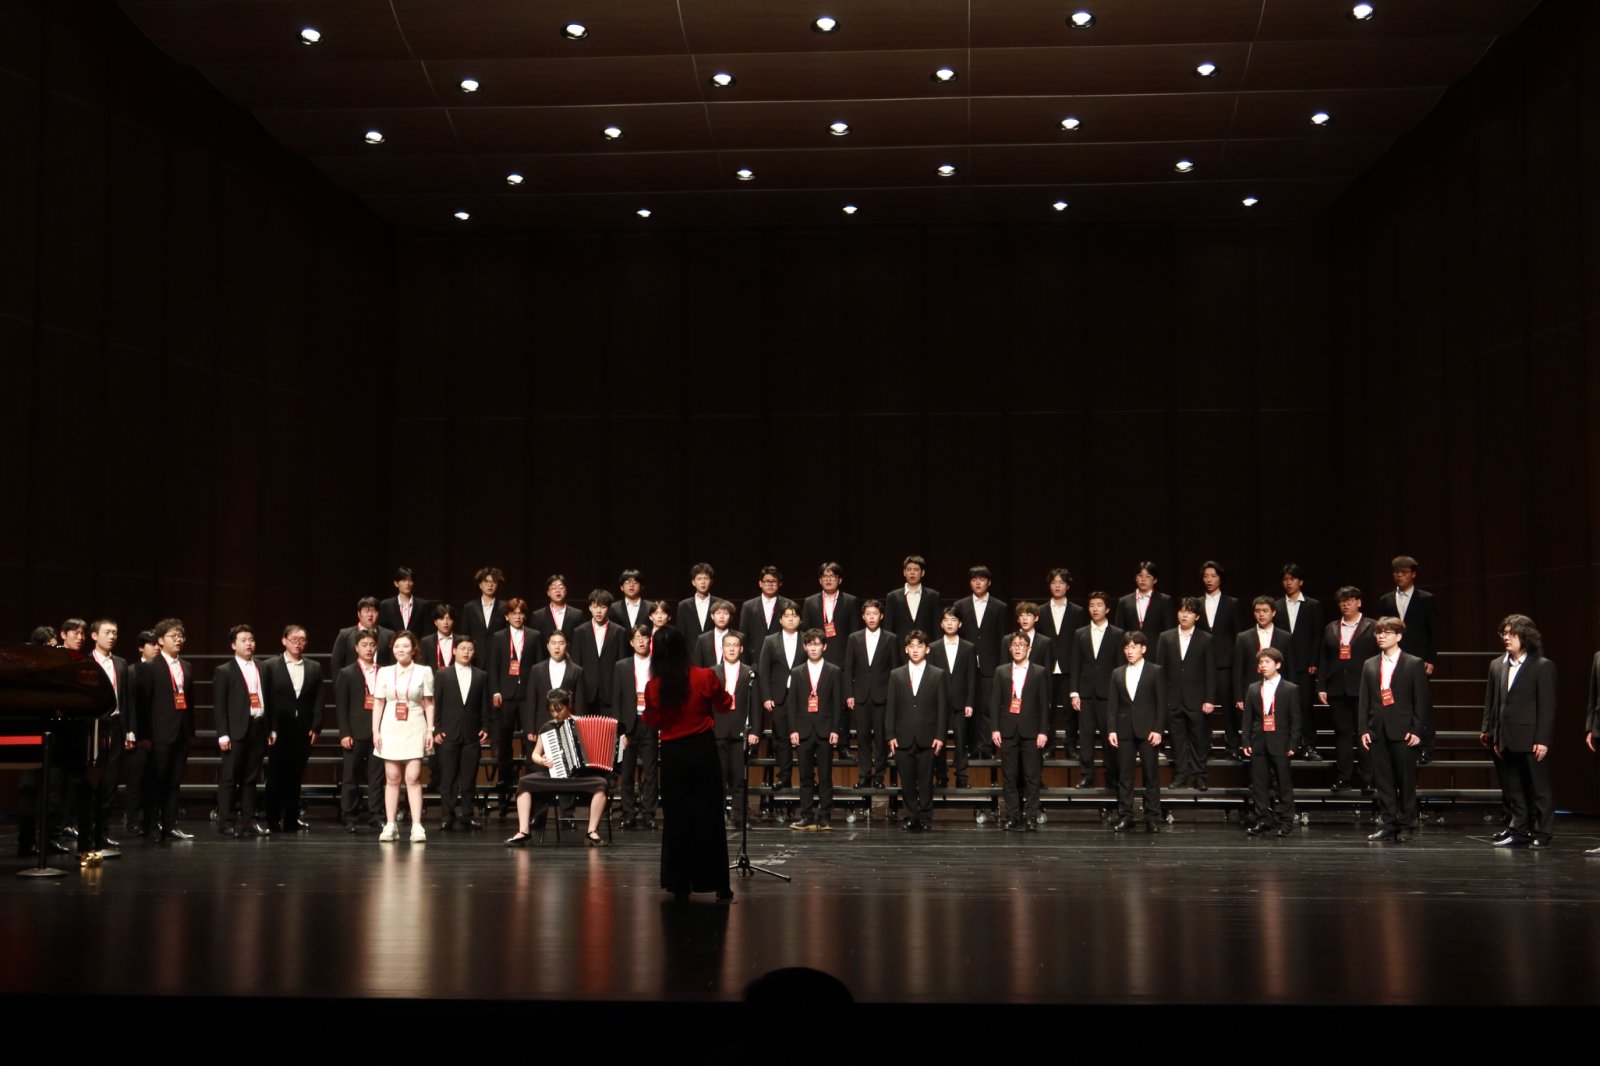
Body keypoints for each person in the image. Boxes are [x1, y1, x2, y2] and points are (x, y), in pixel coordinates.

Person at [642, 626, 736, 903]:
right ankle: (719, 884)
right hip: (703, 751)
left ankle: (679, 884)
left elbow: (651, 720)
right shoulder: (704, 676)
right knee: (710, 816)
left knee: (677, 818)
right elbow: (725, 704)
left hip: (673, 755)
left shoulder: (654, 686)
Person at [1481, 614, 1557, 849]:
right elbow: (1494, 702)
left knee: (1538, 789)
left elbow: (1547, 707)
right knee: (1514, 789)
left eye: (1512, 634)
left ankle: (1542, 832)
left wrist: (1542, 740)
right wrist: (1493, 733)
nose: (1507, 638)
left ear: (1525, 637)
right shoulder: (1498, 665)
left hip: (1531, 738)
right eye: (1504, 633)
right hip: (1506, 737)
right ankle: (1519, 830)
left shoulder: (1542, 666)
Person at [503, 689, 610, 847]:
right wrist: (542, 760)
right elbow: (535, 754)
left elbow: (606, 745)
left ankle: (592, 832)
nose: (555, 714)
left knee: (601, 784)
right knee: (524, 783)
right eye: (552, 711)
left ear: (569, 705)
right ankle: (524, 832)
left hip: (580, 777)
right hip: (553, 776)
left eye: (559, 710)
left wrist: (621, 742)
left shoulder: (582, 724)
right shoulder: (548, 727)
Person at [1361, 617, 1430, 843]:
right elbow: (1364, 700)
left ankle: (1407, 824)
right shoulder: (1370, 664)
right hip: (1377, 730)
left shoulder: (1413, 663)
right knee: (1384, 781)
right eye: (1378, 632)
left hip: (1403, 731)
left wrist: (1417, 730)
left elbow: (1421, 700)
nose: (1381, 636)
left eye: (1387, 632)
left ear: (1398, 636)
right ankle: (1387, 824)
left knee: (1406, 781)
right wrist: (1363, 729)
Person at [133, 618, 195, 841]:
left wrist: (191, 733)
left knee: (174, 782)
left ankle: (170, 825)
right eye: (173, 636)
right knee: (155, 782)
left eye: (181, 636)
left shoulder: (186, 666)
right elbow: (142, 705)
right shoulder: (149, 667)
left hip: (181, 732)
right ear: (160, 640)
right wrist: (144, 735)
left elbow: (190, 702)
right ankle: (150, 827)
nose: (178, 640)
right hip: (158, 733)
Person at [372, 631, 435, 843]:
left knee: (413, 777)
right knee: (392, 777)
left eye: (406, 646)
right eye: (397, 646)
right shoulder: (384, 672)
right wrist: (376, 731)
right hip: (390, 724)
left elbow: (429, 702)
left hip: (415, 723)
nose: (401, 650)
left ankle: (417, 826)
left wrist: (430, 730)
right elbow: (378, 703)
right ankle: (391, 824)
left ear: (414, 649)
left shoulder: (424, 671)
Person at [1315, 587, 1378, 793]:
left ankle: (1368, 779)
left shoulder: (1372, 626)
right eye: (1342, 601)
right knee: (1342, 734)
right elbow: (1324, 659)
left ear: (1359, 602)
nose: (1346, 604)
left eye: (1350, 600)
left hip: (1363, 689)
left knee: (1364, 734)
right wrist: (1321, 686)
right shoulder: (1331, 627)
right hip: (1337, 689)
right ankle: (1344, 778)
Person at [485, 598, 543, 816]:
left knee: (531, 743)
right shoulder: (498, 637)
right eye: (513, 613)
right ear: (506, 616)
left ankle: (532, 793)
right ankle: (504, 796)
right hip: (505, 697)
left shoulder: (535, 636)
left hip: (528, 696)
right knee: (504, 747)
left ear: (525, 615)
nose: (517, 616)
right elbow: (493, 667)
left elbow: (539, 666)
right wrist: (495, 691)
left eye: (520, 612)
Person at [781, 628, 843, 830]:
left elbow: (837, 703)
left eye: (817, 644)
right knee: (805, 777)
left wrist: (835, 729)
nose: (814, 648)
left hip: (825, 730)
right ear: (805, 647)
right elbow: (791, 704)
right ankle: (806, 816)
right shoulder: (797, 672)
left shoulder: (833, 671)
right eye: (810, 644)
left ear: (824, 646)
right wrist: (793, 730)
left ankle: (824, 816)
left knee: (825, 776)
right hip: (803, 730)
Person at [1377, 555, 1438, 761]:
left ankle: (1426, 746)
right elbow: (1381, 629)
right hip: (1392, 657)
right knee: (1395, 699)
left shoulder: (1426, 598)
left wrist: (1431, 659)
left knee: (1422, 702)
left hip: (1419, 659)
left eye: (1403, 572)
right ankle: (1399, 742)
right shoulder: (1386, 600)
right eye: (1396, 572)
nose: (1399, 575)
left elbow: (1434, 631)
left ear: (1413, 574)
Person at [887, 631, 948, 833]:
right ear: (906, 649)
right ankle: (911, 816)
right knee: (907, 781)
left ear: (927, 649)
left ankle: (925, 817)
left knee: (925, 780)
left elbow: (942, 708)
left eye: (919, 646)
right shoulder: (896, 674)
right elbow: (891, 707)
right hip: (902, 736)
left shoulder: (937, 674)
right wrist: (890, 735)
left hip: (928, 736)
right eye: (911, 646)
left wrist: (940, 736)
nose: (915, 650)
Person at [214, 624, 272, 838]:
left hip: (258, 726)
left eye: (251, 639)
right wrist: (223, 734)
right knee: (230, 778)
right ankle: (226, 822)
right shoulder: (224, 670)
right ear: (233, 645)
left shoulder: (263, 667)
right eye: (243, 640)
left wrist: (271, 728)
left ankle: (249, 821)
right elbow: (219, 706)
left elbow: (270, 699)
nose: (249, 643)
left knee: (251, 778)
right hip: (235, 730)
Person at [263, 624, 322, 832]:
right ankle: (272, 818)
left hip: (302, 728)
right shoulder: (270, 666)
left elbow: (318, 699)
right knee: (275, 774)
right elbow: (267, 699)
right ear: (284, 641)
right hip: (279, 728)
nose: (298, 643)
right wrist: (270, 727)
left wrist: (316, 726)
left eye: (302, 640)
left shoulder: (314, 667)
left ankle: (291, 818)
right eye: (294, 639)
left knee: (296, 775)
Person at [1154, 598, 1217, 790]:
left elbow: (1210, 671)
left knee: (1199, 740)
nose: (1184, 615)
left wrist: (1209, 699)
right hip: (1173, 698)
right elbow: (1159, 670)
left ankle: (1200, 777)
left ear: (1196, 616)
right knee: (1177, 740)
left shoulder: (1206, 639)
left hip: (1197, 699)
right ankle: (1180, 776)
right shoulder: (1166, 637)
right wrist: (1161, 698)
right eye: (1182, 611)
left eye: (1189, 612)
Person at [988, 631, 1049, 831]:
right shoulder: (1001, 671)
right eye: (1014, 645)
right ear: (1010, 648)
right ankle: (1012, 816)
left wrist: (1043, 731)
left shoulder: (1039, 672)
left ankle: (1030, 816)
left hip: (1031, 731)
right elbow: (995, 702)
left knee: (1032, 777)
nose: (1017, 648)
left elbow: (1044, 704)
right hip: (1007, 730)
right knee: (1009, 776)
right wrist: (995, 729)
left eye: (1022, 645)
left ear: (1029, 649)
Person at [1108, 632, 1167, 832]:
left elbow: (1161, 703)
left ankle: (1152, 817)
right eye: (1126, 647)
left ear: (1143, 648)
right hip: (1124, 729)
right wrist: (1112, 729)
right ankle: (1126, 816)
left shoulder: (1155, 671)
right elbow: (1113, 705)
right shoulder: (1117, 673)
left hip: (1148, 730)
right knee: (1125, 775)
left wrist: (1158, 729)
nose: (1129, 651)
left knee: (1151, 775)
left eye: (1133, 647)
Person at [1242, 648, 1300, 838]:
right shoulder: (1253, 688)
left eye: (1267, 662)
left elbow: (1296, 719)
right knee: (1259, 785)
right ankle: (1262, 819)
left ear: (1278, 664)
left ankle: (1286, 821)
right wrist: (1246, 740)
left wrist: (1293, 744)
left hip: (1281, 742)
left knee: (1283, 784)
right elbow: (1248, 718)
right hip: (1259, 742)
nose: (1263, 665)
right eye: (1261, 662)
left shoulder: (1290, 689)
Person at [843, 599, 901, 789]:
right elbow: (848, 668)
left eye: (875, 613)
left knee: (881, 737)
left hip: (883, 695)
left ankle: (879, 776)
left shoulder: (891, 638)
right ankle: (864, 775)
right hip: (860, 695)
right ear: (863, 616)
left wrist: (893, 696)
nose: (871, 617)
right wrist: (849, 694)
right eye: (868, 614)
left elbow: (896, 670)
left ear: (881, 616)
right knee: (862, 738)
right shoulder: (854, 638)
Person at [1069, 593, 1125, 790]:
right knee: (1085, 736)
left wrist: (1119, 694)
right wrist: (1074, 692)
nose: (1095, 608)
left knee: (1109, 736)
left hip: (1108, 693)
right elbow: (1075, 664)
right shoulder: (1080, 633)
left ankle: (1112, 775)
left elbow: (1120, 667)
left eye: (1099, 605)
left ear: (1107, 609)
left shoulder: (1117, 634)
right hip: (1085, 693)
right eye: (1092, 605)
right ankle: (1087, 776)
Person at [433, 634, 488, 831]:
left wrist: (485, 727)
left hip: (471, 734)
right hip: (448, 733)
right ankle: (447, 815)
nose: (466, 652)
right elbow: (437, 704)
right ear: (454, 650)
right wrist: (436, 729)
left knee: (469, 778)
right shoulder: (442, 675)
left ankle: (467, 815)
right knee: (448, 778)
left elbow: (484, 705)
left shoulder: (481, 675)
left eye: (470, 649)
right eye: (463, 648)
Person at [86, 618, 132, 853]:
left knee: (111, 781)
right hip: (93, 725)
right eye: (107, 632)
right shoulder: (85, 661)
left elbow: (127, 699)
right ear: (94, 636)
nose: (112, 636)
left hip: (115, 725)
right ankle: (87, 832)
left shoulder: (121, 663)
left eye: (115, 632)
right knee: (90, 781)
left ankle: (102, 833)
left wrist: (129, 729)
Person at [953, 565, 1007, 758]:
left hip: (990, 665)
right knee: (968, 708)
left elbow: (1003, 639)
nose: (978, 583)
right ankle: (970, 747)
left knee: (987, 708)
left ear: (989, 582)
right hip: (965, 665)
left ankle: (986, 748)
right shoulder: (960, 605)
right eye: (974, 579)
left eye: (982, 579)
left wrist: (1002, 666)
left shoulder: (999, 607)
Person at [1232, 598, 1295, 761]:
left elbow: (1290, 668)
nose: (1261, 614)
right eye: (1257, 611)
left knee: (1277, 728)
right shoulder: (1243, 637)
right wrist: (1239, 696)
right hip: (1252, 690)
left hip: (1278, 691)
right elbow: (1238, 669)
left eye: (1265, 611)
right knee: (1255, 727)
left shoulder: (1285, 637)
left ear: (1273, 613)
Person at [335, 629, 385, 831]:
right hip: (354, 733)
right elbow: (341, 707)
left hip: (378, 733)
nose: (368, 649)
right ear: (356, 648)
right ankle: (348, 815)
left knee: (377, 777)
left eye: (372, 645)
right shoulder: (346, 673)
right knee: (350, 777)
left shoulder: (384, 671)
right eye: (364, 645)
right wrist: (344, 733)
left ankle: (376, 814)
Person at [1274, 563, 1324, 758]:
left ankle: (1308, 745)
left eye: (1292, 579)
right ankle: (1286, 745)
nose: (1288, 583)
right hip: (1282, 664)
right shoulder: (1277, 605)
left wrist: (1314, 662)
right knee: (1282, 706)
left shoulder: (1312, 605)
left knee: (1305, 707)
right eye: (1285, 579)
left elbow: (1317, 636)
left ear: (1300, 581)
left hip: (1305, 665)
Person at [612, 624, 660, 829]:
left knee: (651, 772)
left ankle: (649, 814)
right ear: (631, 642)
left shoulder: (658, 665)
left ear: (650, 640)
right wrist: (619, 730)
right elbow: (616, 699)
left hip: (651, 722)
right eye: (637, 638)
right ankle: (628, 814)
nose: (641, 641)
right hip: (628, 724)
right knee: (627, 772)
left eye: (645, 637)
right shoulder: (621, 666)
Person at [757, 602, 806, 800]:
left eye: (794, 615)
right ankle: (784, 777)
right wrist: (767, 696)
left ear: (800, 619)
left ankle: (807, 778)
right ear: (780, 620)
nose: (791, 619)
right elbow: (764, 670)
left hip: (802, 697)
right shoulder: (770, 641)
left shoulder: (807, 639)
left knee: (805, 738)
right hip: (779, 697)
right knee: (782, 739)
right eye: (787, 616)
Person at [1037, 569, 1087, 758]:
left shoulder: (1077, 611)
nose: (1057, 586)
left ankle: (1070, 745)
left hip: (1069, 667)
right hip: (1046, 667)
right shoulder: (1040, 611)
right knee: (1046, 708)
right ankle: (1048, 746)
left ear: (1068, 586)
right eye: (1054, 582)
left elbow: (1081, 641)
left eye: (1061, 582)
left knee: (1070, 711)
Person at [711, 631, 757, 816]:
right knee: (718, 778)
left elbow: (755, 704)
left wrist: (755, 730)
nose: (731, 649)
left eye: (735, 645)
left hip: (740, 732)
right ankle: (717, 816)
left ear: (741, 649)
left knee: (739, 778)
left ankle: (739, 815)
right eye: (728, 645)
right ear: (722, 648)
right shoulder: (712, 672)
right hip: (718, 730)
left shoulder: (750, 672)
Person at [121, 629, 160, 836]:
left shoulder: (162, 670)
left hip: (158, 733)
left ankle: (151, 820)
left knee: (154, 780)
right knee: (136, 779)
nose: (156, 648)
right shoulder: (131, 671)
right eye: (152, 644)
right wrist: (131, 732)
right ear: (140, 648)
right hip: (137, 733)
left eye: (158, 644)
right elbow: (129, 704)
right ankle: (133, 820)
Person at [572, 589, 627, 711]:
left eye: (603, 607)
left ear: (609, 608)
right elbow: (575, 664)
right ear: (589, 608)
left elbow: (622, 665)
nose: (598, 611)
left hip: (610, 692)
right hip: (586, 692)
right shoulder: (579, 632)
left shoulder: (619, 632)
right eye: (595, 606)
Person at [802, 561, 859, 667]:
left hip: (842, 658)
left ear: (840, 580)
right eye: (825, 576)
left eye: (832, 576)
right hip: (817, 658)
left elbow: (854, 632)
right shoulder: (810, 602)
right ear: (820, 580)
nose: (828, 579)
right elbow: (805, 631)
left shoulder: (850, 601)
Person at [739, 566, 795, 654]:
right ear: (760, 583)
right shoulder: (748, 606)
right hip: (755, 657)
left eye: (774, 581)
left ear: (780, 583)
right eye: (767, 581)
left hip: (782, 654)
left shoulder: (789, 605)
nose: (770, 584)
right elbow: (743, 634)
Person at [1112, 561, 1177, 638]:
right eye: (1140, 576)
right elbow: (1119, 631)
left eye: (1148, 576)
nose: (1143, 579)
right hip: (1131, 645)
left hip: (1156, 645)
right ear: (1136, 578)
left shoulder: (1164, 601)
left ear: (1155, 580)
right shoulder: (1124, 601)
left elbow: (1169, 631)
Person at [885, 555, 942, 641]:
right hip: (901, 646)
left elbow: (937, 626)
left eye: (916, 569)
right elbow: (888, 627)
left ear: (922, 573)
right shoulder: (893, 597)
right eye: (909, 569)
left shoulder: (933, 596)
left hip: (925, 645)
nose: (912, 573)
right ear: (904, 572)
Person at [332, 597, 395, 672]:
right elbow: (336, 662)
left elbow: (393, 662)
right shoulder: (345, 634)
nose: (370, 614)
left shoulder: (389, 635)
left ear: (378, 613)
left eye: (373, 611)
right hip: (353, 678)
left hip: (380, 677)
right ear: (359, 614)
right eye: (366, 611)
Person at [461, 566, 508, 649]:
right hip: (476, 653)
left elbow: (507, 633)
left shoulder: (505, 607)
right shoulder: (469, 607)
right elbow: (465, 635)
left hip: (498, 652)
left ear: (498, 585)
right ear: (480, 585)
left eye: (494, 581)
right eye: (486, 581)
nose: (490, 585)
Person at [531, 574, 582, 640]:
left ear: (566, 591)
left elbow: (581, 639)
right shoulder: (538, 616)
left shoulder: (577, 615)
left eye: (561, 587)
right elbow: (535, 641)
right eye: (554, 588)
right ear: (548, 592)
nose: (557, 590)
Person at [379, 566, 427, 635]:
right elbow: (382, 631)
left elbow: (427, 633)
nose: (407, 584)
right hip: (393, 641)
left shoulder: (423, 605)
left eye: (410, 580)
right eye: (404, 580)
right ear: (396, 583)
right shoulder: (386, 605)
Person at [676, 562, 717, 642]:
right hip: (691, 649)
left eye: (706, 578)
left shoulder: (718, 604)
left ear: (711, 582)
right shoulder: (684, 605)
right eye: (699, 579)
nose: (703, 582)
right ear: (693, 582)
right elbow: (681, 633)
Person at [691, 599, 737, 668]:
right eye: (718, 613)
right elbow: (698, 665)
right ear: (712, 616)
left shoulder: (739, 637)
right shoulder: (702, 639)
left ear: (731, 617)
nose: (721, 617)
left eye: (725, 613)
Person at [418, 603, 457, 670]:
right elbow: (421, 666)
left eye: (449, 619)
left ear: (453, 621)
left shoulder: (460, 641)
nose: (445, 622)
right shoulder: (426, 642)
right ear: (435, 622)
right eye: (442, 619)